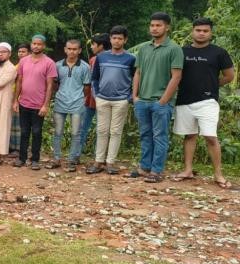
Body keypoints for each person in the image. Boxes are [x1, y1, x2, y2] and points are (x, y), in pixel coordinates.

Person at [172, 18, 234, 189]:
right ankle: (187, 170)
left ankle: (218, 175)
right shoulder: (181, 51)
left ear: (210, 33)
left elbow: (229, 76)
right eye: (198, 30)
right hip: (184, 100)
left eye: (205, 31)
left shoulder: (219, 52)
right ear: (192, 31)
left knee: (210, 137)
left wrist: (212, 84)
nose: (201, 33)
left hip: (208, 101)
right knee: (189, 135)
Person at [130, 12, 183, 183]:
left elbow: (176, 77)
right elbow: (138, 72)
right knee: (145, 135)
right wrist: (135, 96)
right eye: (152, 25)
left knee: (159, 136)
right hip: (142, 101)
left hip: (160, 102)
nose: (154, 28)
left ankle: (157, 170)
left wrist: (164, 100)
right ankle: (145, 166)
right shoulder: (144, 48)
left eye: (158, 25)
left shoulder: (174, 49)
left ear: (167, 27)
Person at [86, 26, 135, 175]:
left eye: (120, 38)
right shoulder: (102, 57)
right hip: (103, 99)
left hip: (121, 100)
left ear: (125, 40)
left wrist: (129, 97)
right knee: (101, 130)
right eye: (114, 38)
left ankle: (110, 162)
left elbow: (136, 78)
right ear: (110, 39)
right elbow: (94, 78)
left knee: (115, 131)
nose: (117, 41)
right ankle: (98, 161)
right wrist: (97, 94)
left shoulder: (131, 58)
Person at [13, 34, 57, 170]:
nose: (36, 46)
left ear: (43, 46)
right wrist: (15, 100)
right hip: (24, 103)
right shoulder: (24, 61)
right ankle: (22, 158)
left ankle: (35, 160)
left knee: (37, 132)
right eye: (34, 43)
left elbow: (50, 85)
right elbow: (19, 81)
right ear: (31, 44)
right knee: (24, 132)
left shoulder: (49, 63)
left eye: (39, 44)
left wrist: (46, 105)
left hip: (39, 105)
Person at [49, 39, 91, 170]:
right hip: (60, 101)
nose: (71, 51)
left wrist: (78, 97)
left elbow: (87, 88)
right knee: (57, 131)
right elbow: (55, 84)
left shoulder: (85, 67)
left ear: (79, 50)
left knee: (75, 132)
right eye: (69, 49)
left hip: (77, 103)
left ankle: (73, 159)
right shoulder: (57, 65)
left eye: (74, 49)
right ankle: (56, 158)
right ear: (65, 49)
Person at [78, 33, 110, 158]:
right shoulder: (92, 59)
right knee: (86, 126)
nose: (91, 47)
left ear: (101, 46)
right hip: (90, 98)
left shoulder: (103, 59)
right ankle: (89, 153)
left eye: (93, 44)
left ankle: (96, 154)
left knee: (98, 128)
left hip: (101, 98)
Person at [8, 44, 30, 156]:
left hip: (24, 98)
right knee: (12, 123)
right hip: (12, 97)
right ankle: (11, 147)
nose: (21, 53)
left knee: (20, 125)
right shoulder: (16, 66)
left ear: (29, 53)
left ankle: (18, 149)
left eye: (24, 51)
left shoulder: (29, 65)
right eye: (19, 51)